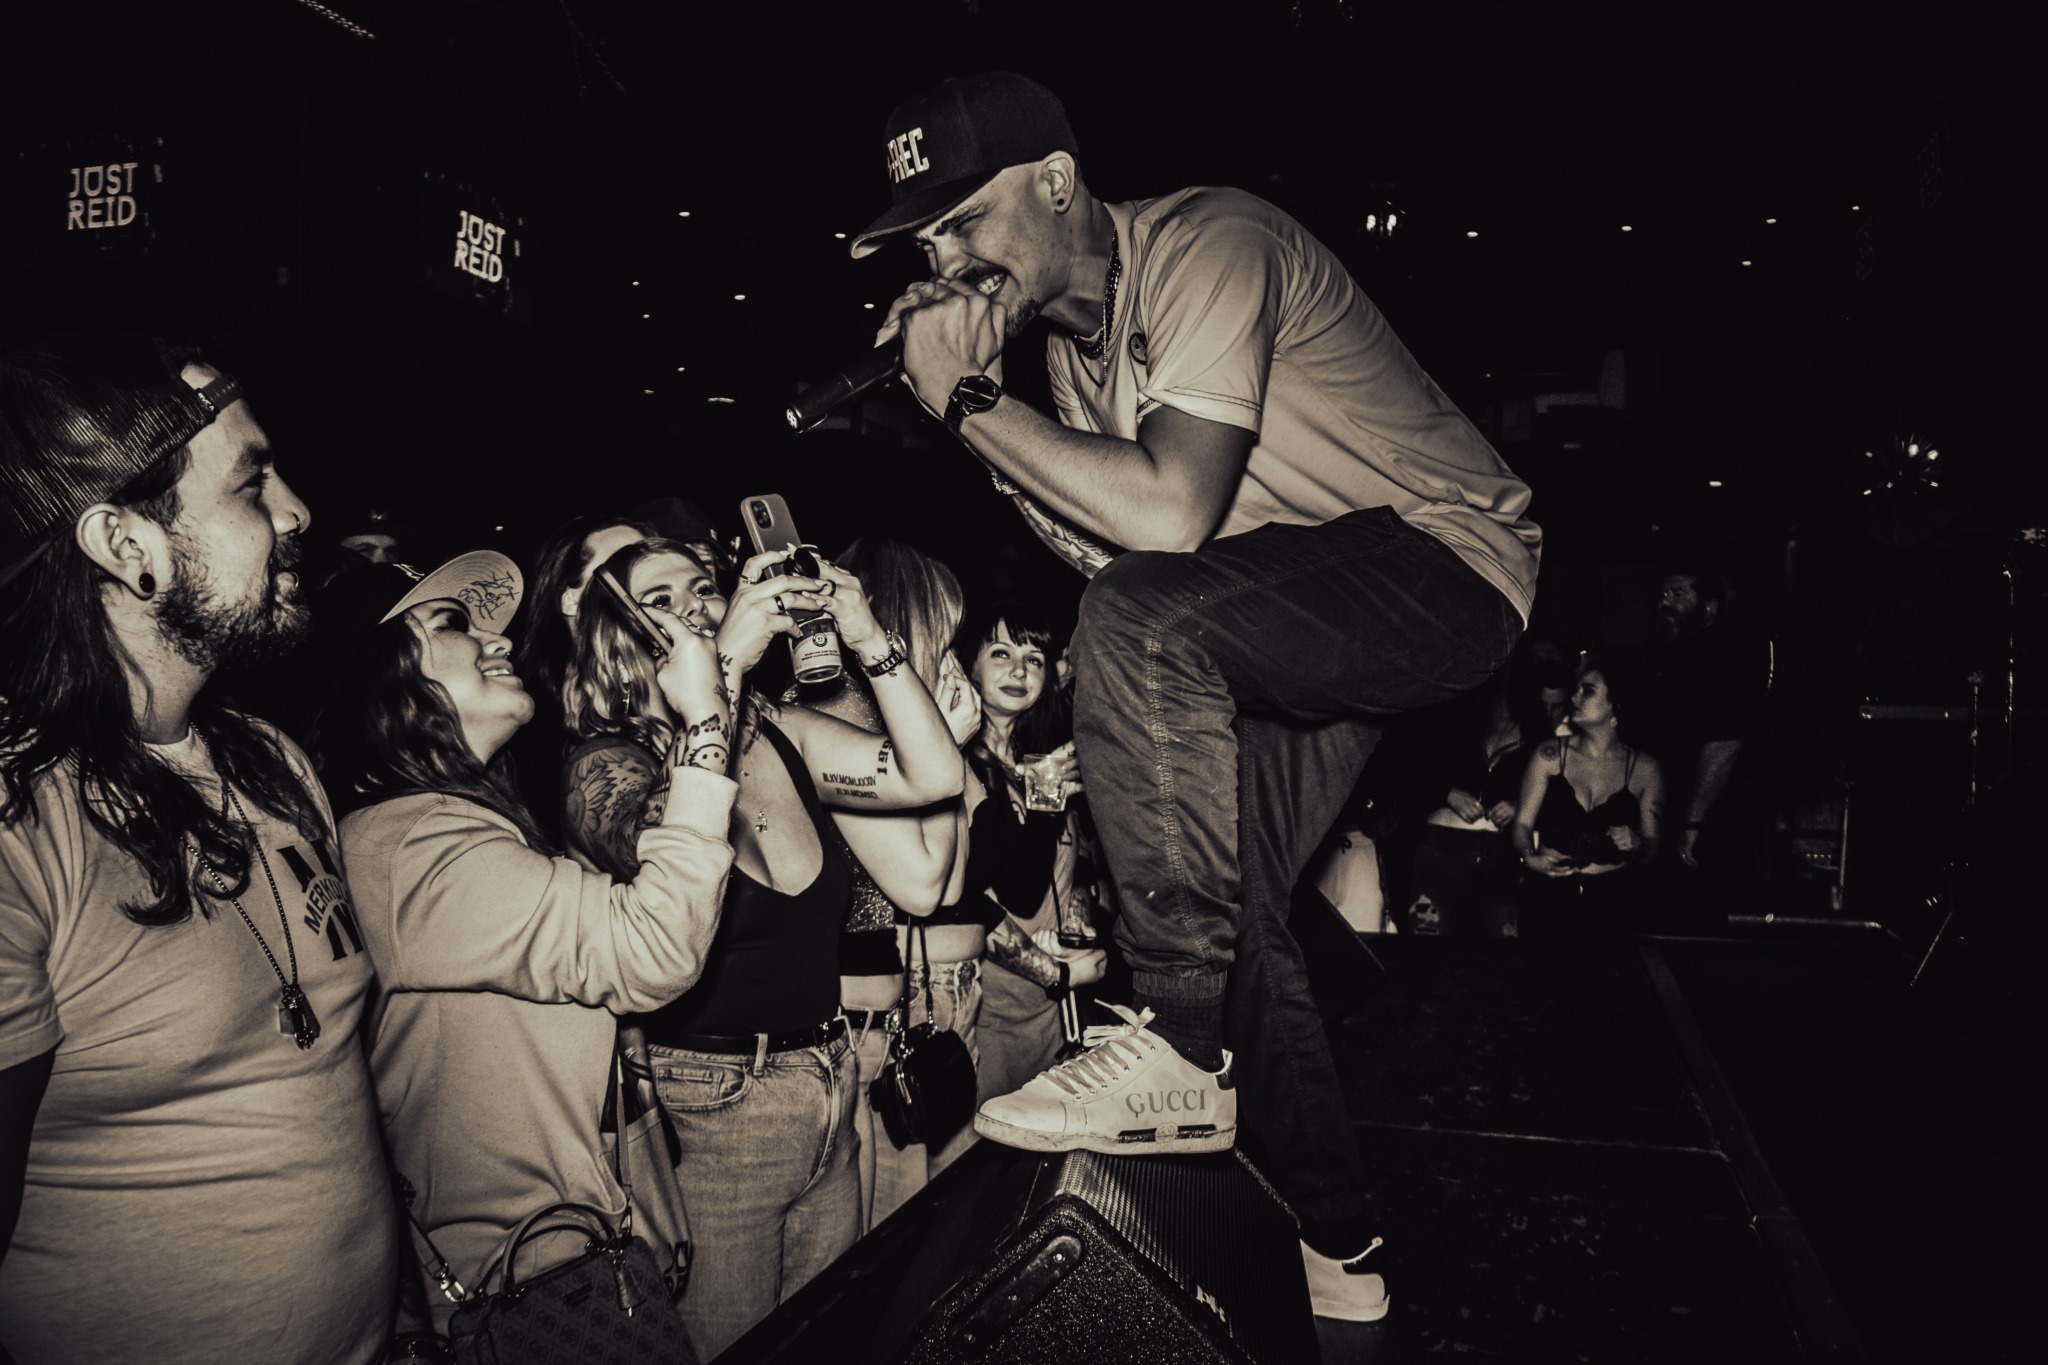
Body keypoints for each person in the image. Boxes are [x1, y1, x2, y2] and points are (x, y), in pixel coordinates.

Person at [852, 71, 1537, 1321]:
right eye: (924, 243)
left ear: (1055, 181)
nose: (945, 260)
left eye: (962, 220)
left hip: (1443, 564)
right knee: (1232, 906)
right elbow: (1118, 556)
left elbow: (1168, 518)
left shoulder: (1207, 242)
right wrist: (985, 429)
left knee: (1136, 627)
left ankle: (1175, 1047)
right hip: (1287, 612)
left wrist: (963, 399)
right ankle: (1341, 1246)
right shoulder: (1064, 364)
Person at [0, 332, 397, 1363]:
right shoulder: (20, 827)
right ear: (125, 545)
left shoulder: (272, 760)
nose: (296, 512)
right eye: (252, 484)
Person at [306, 550, 736, 1353]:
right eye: (452, 624)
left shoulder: (455, 825)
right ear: (384, 677)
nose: (496, 639)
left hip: (569, 1253)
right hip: (526, 1283)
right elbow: (652, 947)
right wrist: (708, 722)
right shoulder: (415, 848)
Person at [560, 535, 964, 1359]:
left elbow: (933, 775)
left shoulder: (783, 730)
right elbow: (666, 851)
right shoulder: (604, 764)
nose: (696, 606)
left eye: (703, 587)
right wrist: (724, 672)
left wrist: (867, 635)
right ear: (617, 637)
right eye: (662, 599)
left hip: (829, 1082)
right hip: (711, 1105)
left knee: (827, 1337)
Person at [792, 537, 982, 1229]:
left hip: (879, 1017)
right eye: (945, 630)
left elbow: (951, 884)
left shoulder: (897, 723)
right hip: (842, 1030)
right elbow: (924, 888)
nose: (953, 653)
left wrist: (946, 754)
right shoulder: (836, 707)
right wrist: (949, 748)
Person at [953, 601, 1108, 1115]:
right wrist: (1052, 971)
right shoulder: (957, 765)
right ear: (969, 665)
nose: (1020, 670)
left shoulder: (1037, 762)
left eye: (1034, 659)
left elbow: (1075, 863)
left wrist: (1077, 928)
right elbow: (1005, 891)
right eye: (1001, 653)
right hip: (991, 1012)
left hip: (1051, 1011)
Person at [508, 512, 656, 845]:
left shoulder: (669, 676)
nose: (652, 574)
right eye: (624, 563)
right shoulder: (534, 712)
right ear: (570, 598)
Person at [1511, 656, 1665, 937]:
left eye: (1588, 691)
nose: (1574, 697)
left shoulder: (1645, 768)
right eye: (1577, 690)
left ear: (1615, 704)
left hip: (1612, 901)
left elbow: (1652, 847)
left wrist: (1637, 843)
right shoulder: (1549, 755)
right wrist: (1529, 856)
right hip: (1549, 895)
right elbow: (1522, 823)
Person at [1639, 567, 1772, 883]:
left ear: (1709, 607)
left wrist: (1693, 822)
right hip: (1672, 812)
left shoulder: (1721, 654)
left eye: (1678, 594)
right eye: (1662, 595)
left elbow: (1724, 741)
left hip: (1711, 819)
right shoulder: (1670, 657)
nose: (1665, 602)